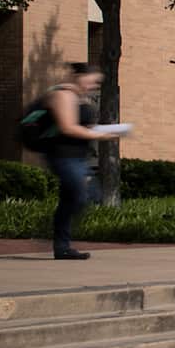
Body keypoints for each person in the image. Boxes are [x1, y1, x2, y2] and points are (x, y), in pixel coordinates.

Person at [34, 64, 115, 260]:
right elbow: (68, 127)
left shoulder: (81, 98)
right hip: (62, 155)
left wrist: (106, 129)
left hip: (78, 157)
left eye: (97, 83)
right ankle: (49, 232)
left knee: (77, 198)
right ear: (79, 76)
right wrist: (101, 135)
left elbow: (85, 125)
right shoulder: (63, 95)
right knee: (82, 195)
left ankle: (62, 247)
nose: (95, 85)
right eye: (92, 80)